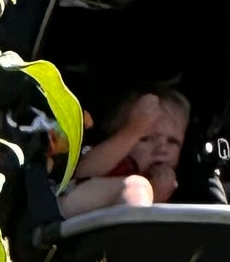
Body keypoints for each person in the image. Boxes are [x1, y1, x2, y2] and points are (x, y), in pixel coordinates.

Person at [58, 86, 189, 217]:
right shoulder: (110, 160)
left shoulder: (175, 185)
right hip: (68, 211)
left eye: (173, 141)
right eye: (146, 138)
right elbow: (82, 172)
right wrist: (133, 131)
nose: (161, 149)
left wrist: (158, 196)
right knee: (137, 187)